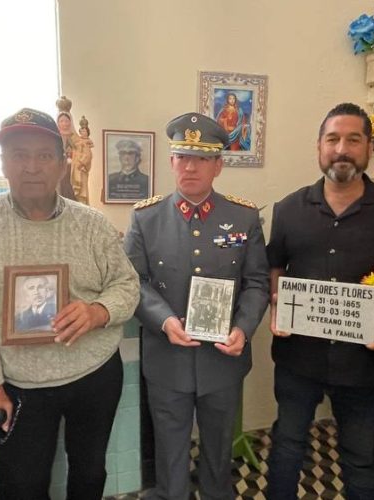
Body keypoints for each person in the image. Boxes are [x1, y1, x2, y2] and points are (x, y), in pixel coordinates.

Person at [0, 107, 140, 500]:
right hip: (19, 383)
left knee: (90, 472)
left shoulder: (92, 223)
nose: (32, 166)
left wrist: (97, 311)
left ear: (62, 164)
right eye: (19, 155)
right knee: (22, 484)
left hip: (93, 373)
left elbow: (127, 285)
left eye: (44, 155)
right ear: (3, 164)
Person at [264, 103, 374, 500]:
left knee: (359, 455)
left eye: (353, 139)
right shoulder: (288, 210)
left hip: (362, 362)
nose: (342, 149)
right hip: (298, 356)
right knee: (287, 445)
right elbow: (275, 266)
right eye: (333, 139)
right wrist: (277, 303)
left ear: (369, 147)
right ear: (319, 147)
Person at [124, 112, 270, 500]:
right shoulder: (145, 218)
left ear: (218, 165)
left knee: (219, 451)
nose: (190, 166)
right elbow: (132, 282)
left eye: (202, 157)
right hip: (166, 357)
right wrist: (163, 319)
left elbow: (256, 282)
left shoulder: (244, 216)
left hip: (223, 358)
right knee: (169, 454)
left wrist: (244, 327)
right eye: (182, 156)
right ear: (171, 161)